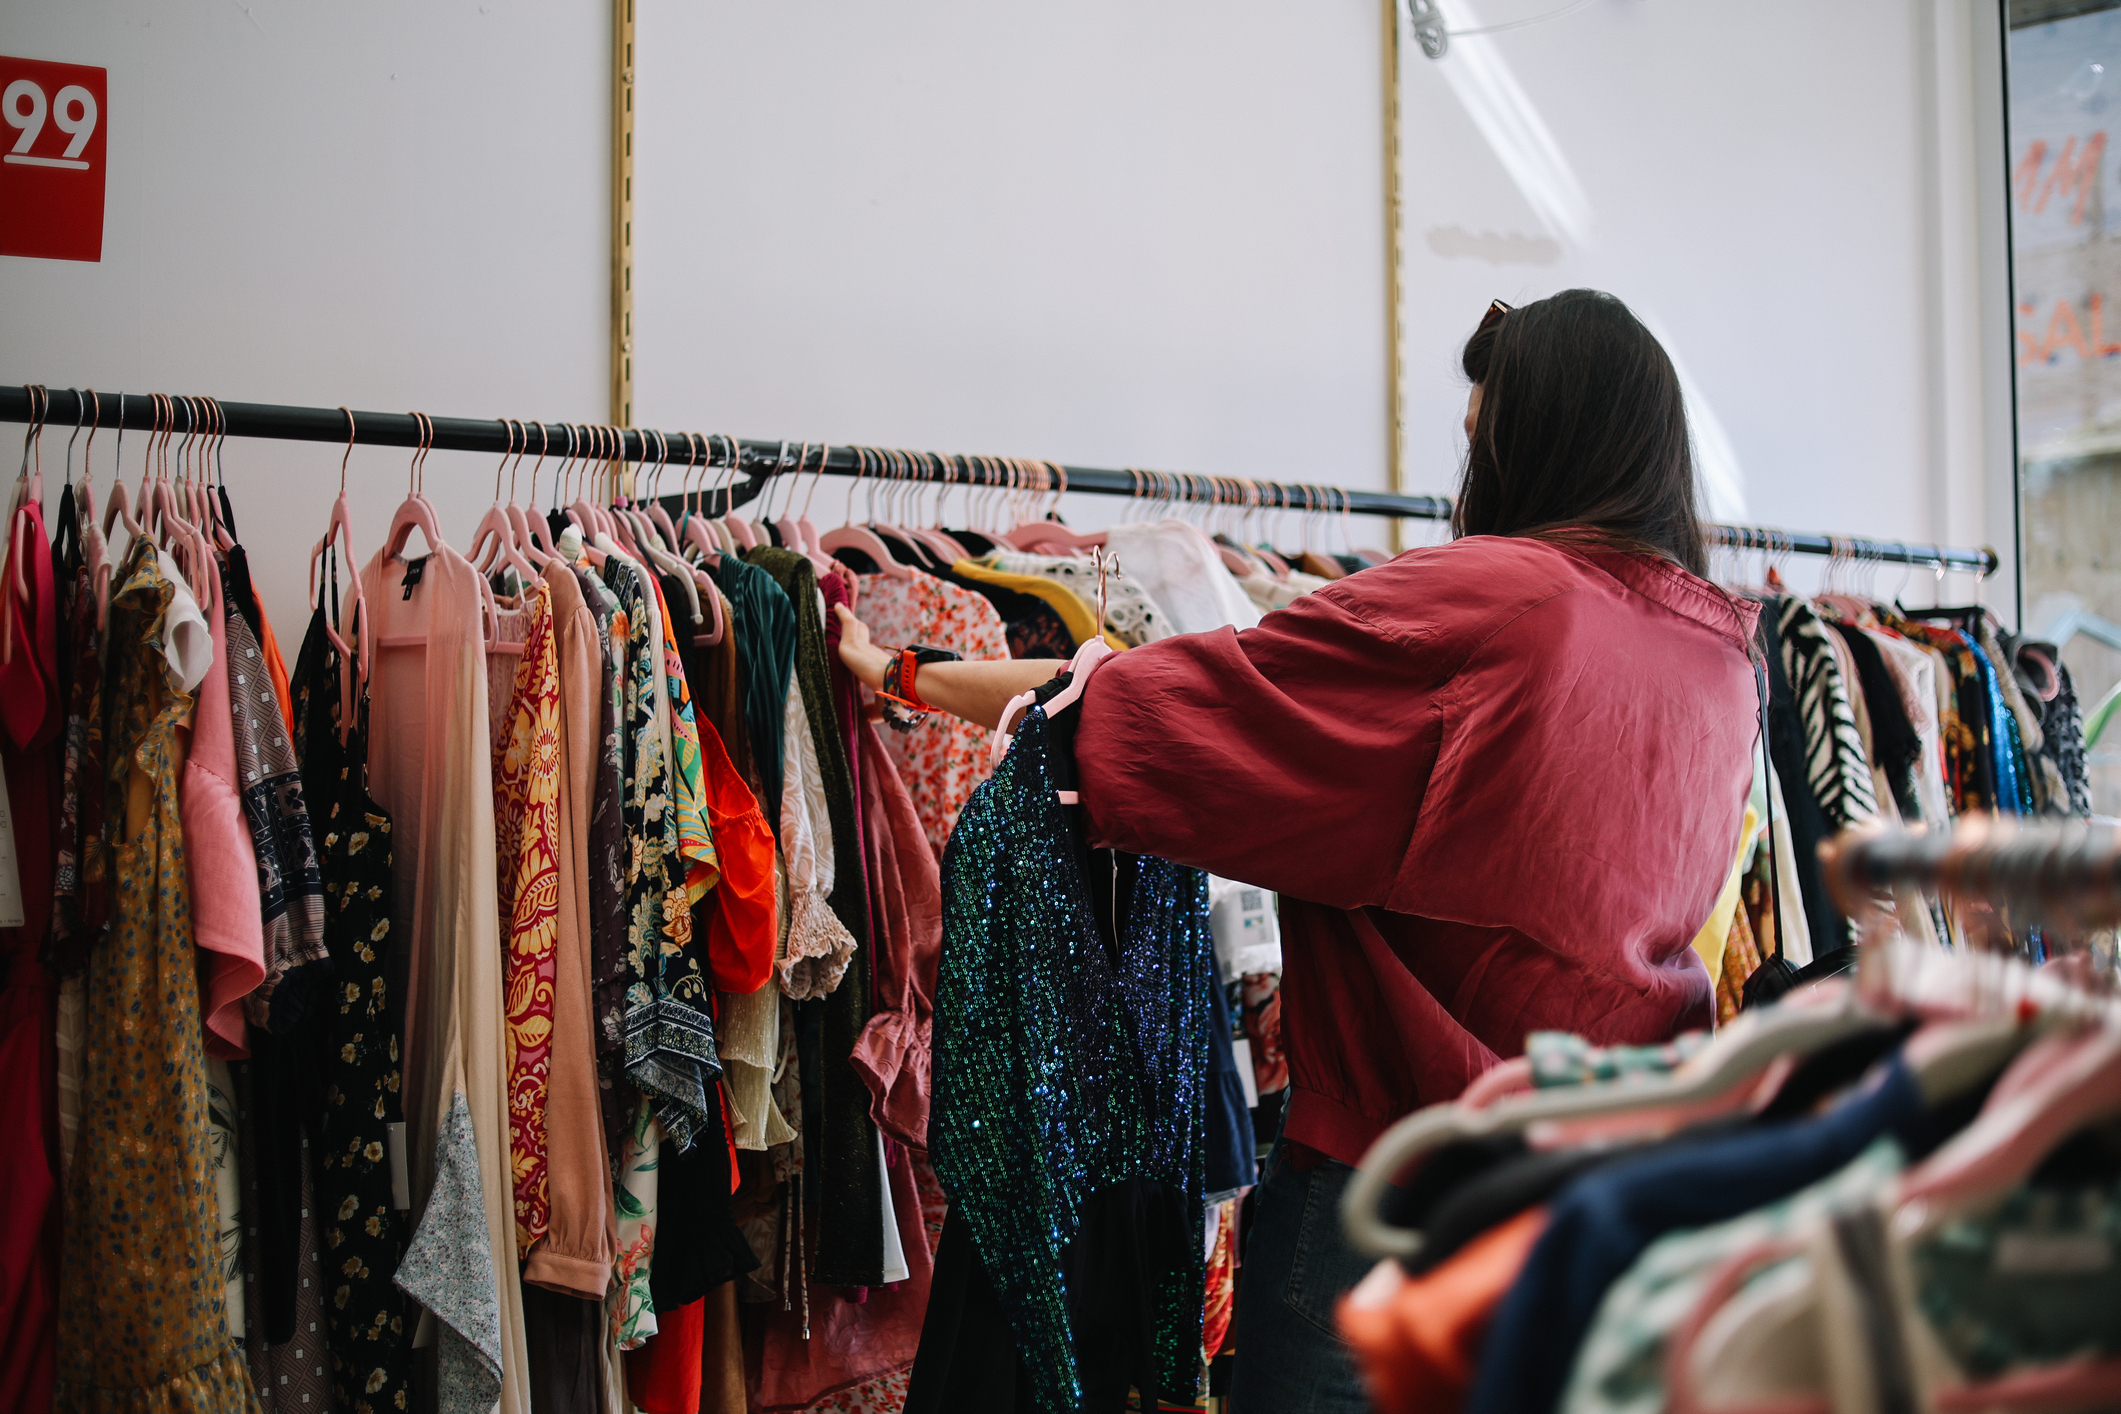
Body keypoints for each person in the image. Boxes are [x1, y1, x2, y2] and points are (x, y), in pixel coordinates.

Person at [834, 288, 1761, 1413]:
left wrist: (899, 674)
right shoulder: (1718, 660)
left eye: (1482, 442)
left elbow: (1141, 715)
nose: (1467, 481)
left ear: (1536, 442)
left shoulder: (1500, 608)